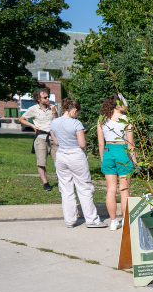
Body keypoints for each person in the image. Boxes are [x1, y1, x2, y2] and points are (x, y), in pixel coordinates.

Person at [50, 99, 106, 229]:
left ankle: (70, 220)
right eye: (77, 113)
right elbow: (82, 144)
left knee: (66, 189)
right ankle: (92, 220)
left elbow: (56, 142)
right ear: (75, 110)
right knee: (84, 188)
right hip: (76, 155)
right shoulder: (76, 123)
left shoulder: (54, 122)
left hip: (61, 155)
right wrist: (81, 133)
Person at [98, 94, 136, 231]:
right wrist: (135, 160)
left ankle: (113, 222)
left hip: (108, 152)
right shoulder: (127, 119)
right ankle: (126, 222)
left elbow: (101, 143)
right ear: (119, 104)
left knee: (111, 190)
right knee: (124, 190)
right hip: (123, 152)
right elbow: (131, 144)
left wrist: (103, 159)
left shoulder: (102, 119)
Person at [18, 89, 58, 191]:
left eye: (48, 96)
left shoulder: (53, 108)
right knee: (41, 162)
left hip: (54, 138)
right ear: (39, 99)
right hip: (41, 138)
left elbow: (57, 122)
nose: (48, 99)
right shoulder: (33, 109)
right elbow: (21, 119)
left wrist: (54, 112)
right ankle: (45, 183)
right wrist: (32, 125)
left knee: (59, 162)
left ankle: (61, 181)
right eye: (45, 97)